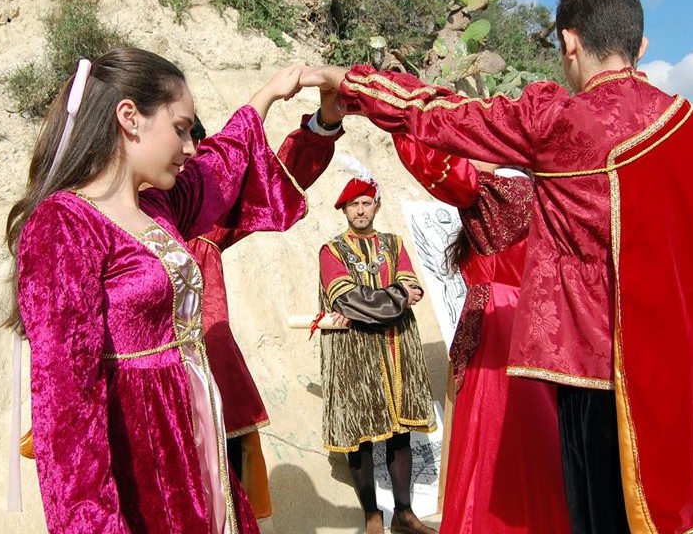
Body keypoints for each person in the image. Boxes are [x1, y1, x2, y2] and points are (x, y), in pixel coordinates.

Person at [300, 0, 693, 534]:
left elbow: (441, 114)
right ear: (640, 46)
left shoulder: (562, 123)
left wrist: (347, 81)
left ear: (569, 42)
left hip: (602, 383)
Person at [5, 47, 307, 533]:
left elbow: (222, 163)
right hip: (142, 455)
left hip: (192, 435)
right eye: (181, 128)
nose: (190, 147)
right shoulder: (64, 225)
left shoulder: (158, 209)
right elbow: (65, 405)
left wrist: (268, 95)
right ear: (130, 117)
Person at [393, 134, 571, 534]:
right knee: (527, 429)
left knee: (493, 430)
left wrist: (397, 117)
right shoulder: (538, 194)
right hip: (528, 319)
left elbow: (435, 164)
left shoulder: (500, 191)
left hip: (498, 323)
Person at [187, 93, 345, 521]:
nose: (187, 156)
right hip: (144, 393)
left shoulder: (209, 218)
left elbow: (275, 179)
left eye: (194, 146)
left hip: (214, 384)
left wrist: (323, 125)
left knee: (226, 508)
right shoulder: (111, 220)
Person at [316, 169, 438, 534]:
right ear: (344, 209)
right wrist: (397, 296)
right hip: (355, 354)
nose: (360, 210)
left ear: (377, 206)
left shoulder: (394, 244)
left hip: (398, 349)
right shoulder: (331, 251)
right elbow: (348, 300)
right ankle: (372, 515)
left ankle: (404, 513)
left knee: (401, 433)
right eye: (353, 204)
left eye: (366, 203)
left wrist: (395, 296)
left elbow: (413, 286)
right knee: (362, 437)